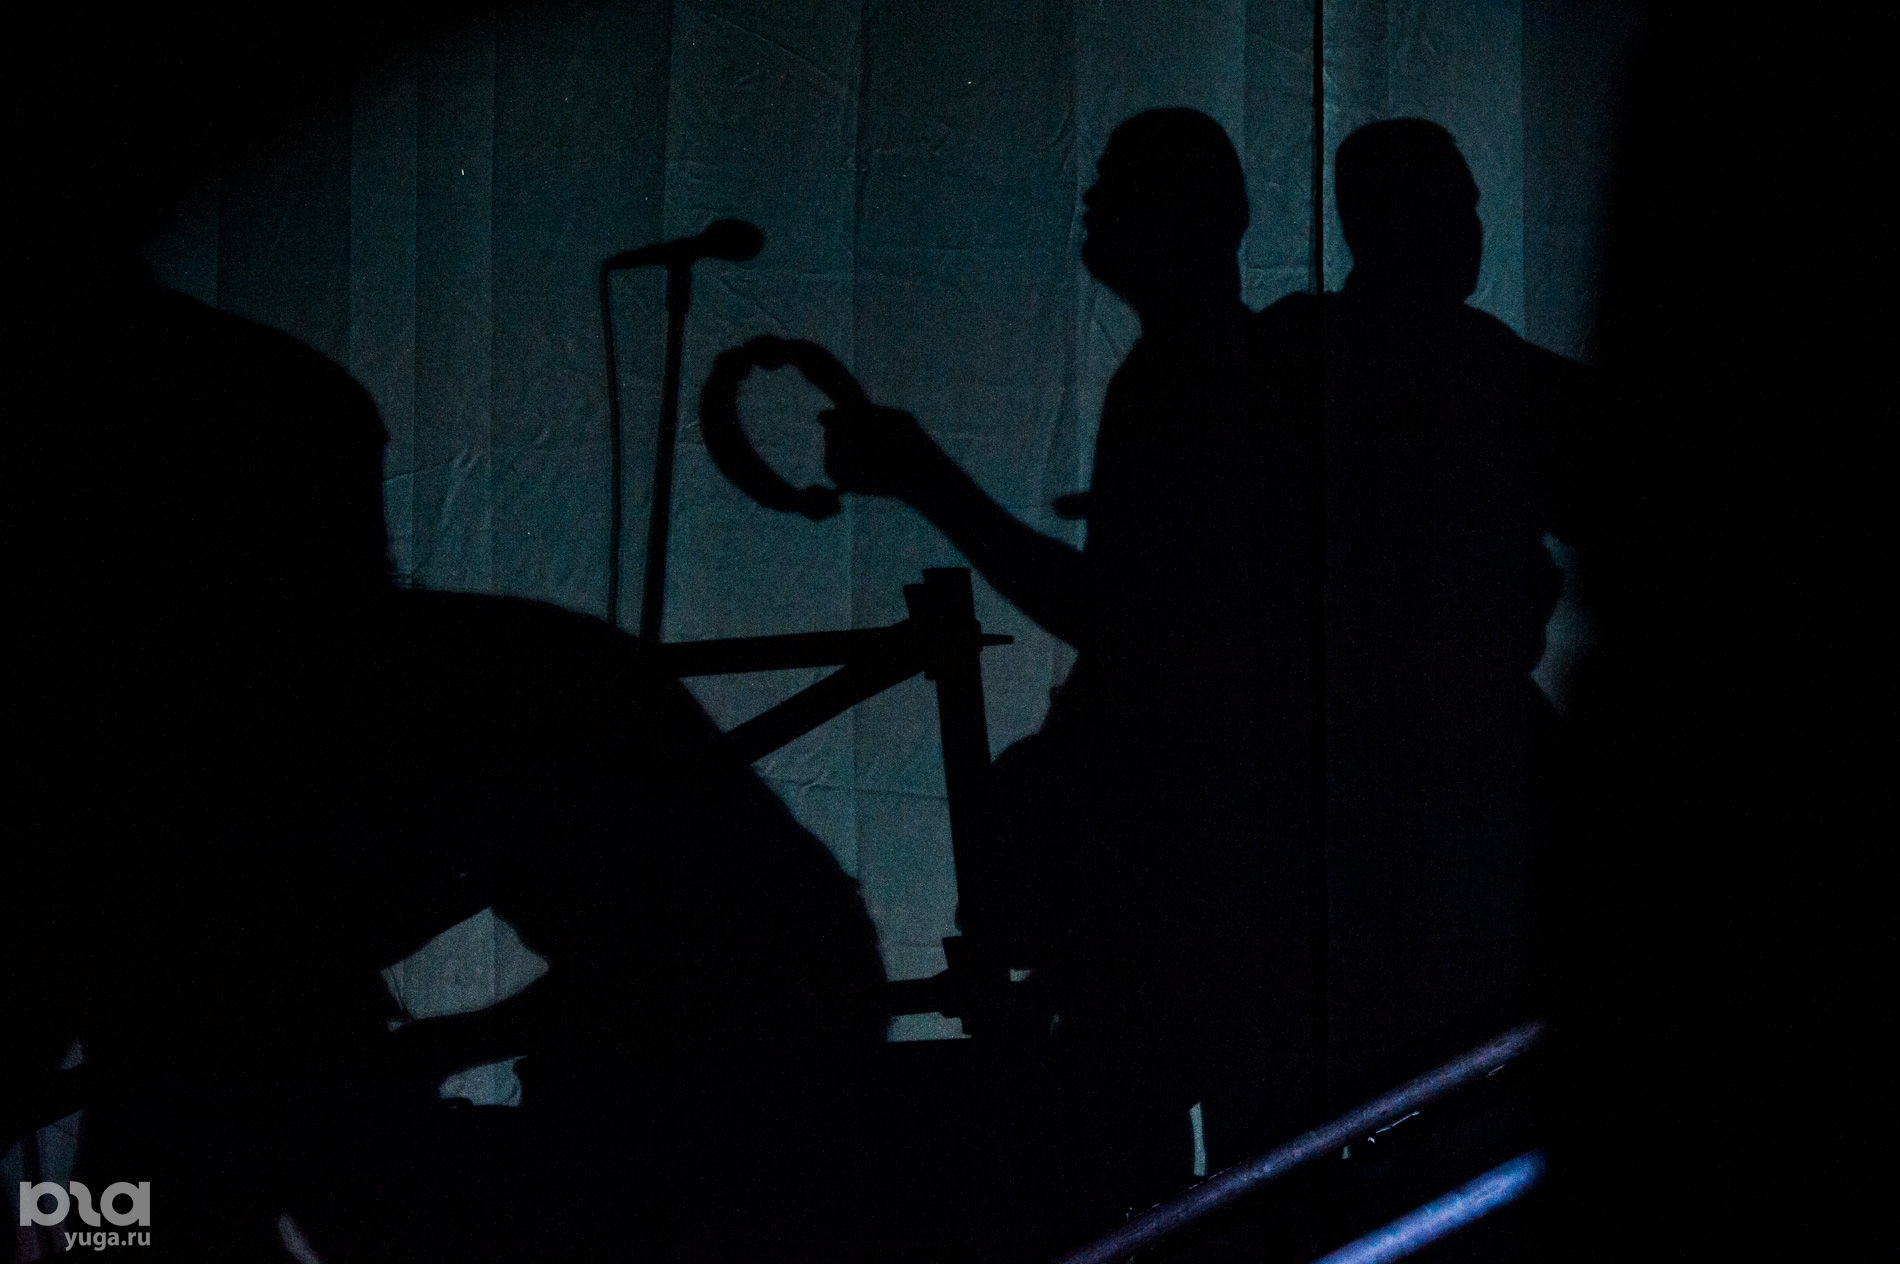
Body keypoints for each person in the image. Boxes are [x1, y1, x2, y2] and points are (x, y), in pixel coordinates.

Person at [822, 108, 1305, 1226]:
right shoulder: (1193, 370)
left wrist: (930, 484)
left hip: (1171, 850)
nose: (1091, 202)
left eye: (1119, 183)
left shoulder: (1186, 377)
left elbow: (1129, 622)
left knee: (1133, 1144)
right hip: (1191, 846)